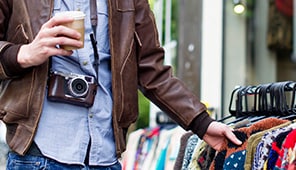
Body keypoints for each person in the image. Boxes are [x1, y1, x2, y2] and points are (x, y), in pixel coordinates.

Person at [0, 0, 241, 169]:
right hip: (39, 155)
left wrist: (202, 123)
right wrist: (23, 54)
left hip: (104, 158)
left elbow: (152, 70)